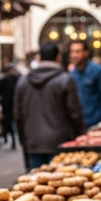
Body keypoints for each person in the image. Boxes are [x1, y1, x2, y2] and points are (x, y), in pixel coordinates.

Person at [14, 41, 85, 170]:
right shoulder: (65, 80)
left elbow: (17, 115)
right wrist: (80, 135)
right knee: (59, 186)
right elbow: (74, 113)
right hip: (60, 141)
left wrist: (23, 139)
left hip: (33, 142)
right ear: (58, 57)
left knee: (35, 184)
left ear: (39, 57)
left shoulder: (23, 81)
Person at [69, 39, 101, 128]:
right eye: (72, 52)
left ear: (86, 53)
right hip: (79, 123)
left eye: (78, 52)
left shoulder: (97, 70)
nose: (74, 55)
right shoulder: (72, 73)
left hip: (96, 121)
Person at [0, 62, 20, 149]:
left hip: (6, 104)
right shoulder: (17, 79)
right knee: (13, 121)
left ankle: (7, 136)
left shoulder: (4, 80)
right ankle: (11, 138)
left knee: (7, 121)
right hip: (14, 103)